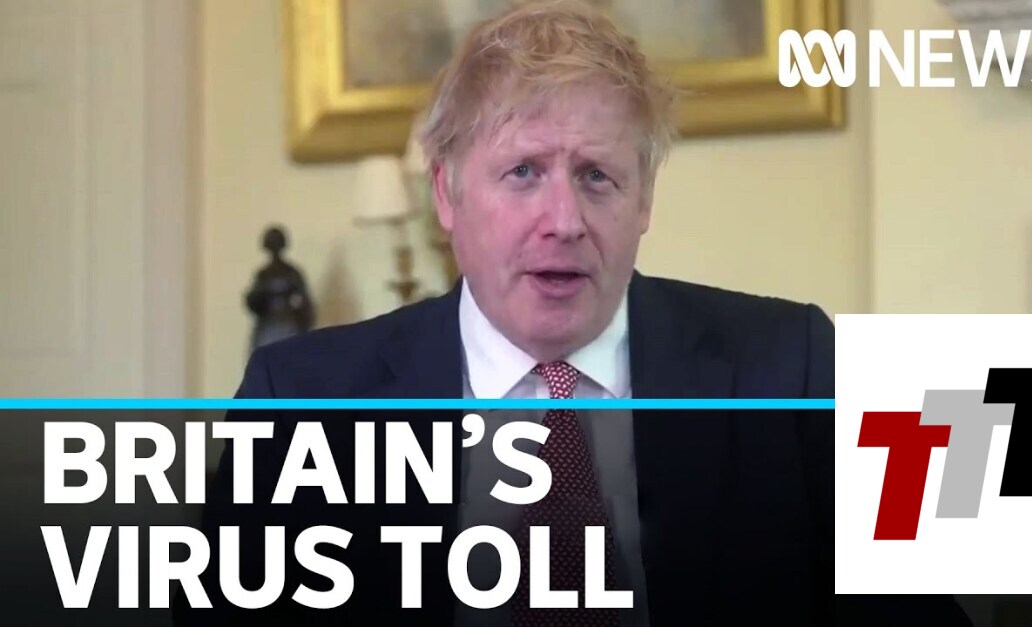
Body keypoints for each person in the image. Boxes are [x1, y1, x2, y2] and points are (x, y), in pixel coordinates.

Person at [177, 1, 971, 625]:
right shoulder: (306, 398)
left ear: (644, 198)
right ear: (447, 193)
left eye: (596, 176)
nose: (563, 220)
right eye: (523, 171)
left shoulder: (790, 368)